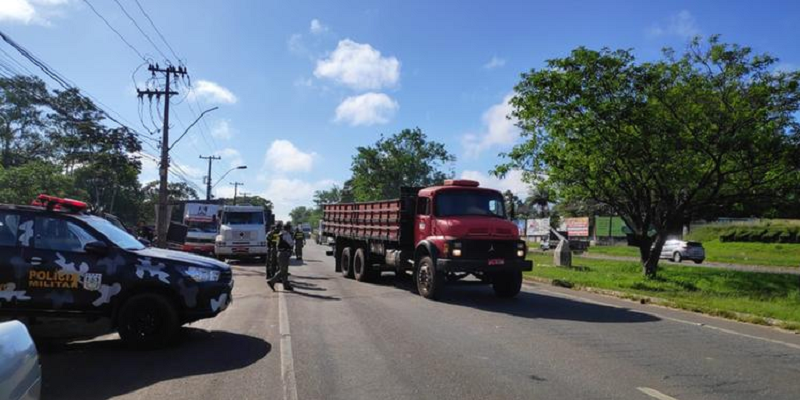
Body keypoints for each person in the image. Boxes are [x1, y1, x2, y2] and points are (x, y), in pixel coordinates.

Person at [268, 222, 295, 291]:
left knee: (284, 270)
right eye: (290, 228)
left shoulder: (280, 234)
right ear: (288, 229)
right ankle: (272, 281)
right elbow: (291, 243)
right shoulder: (286, 234)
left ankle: (286, 285)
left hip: (280, 253)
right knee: (283, 270)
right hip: (284, 253)